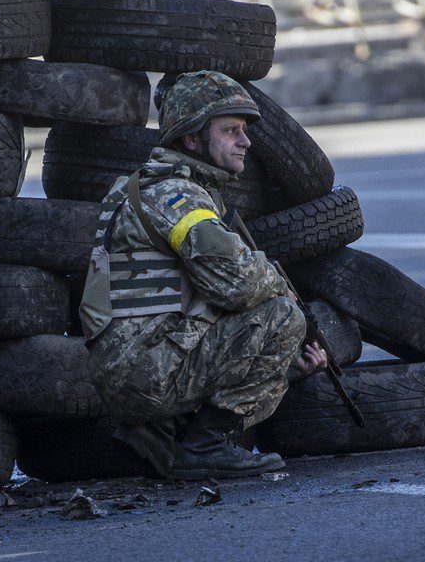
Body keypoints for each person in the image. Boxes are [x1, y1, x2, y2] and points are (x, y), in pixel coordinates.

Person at [79, 70, 328, 481]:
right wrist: (277, 284)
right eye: (230, 130)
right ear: (191, 139)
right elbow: (237, 283)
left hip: (130, 362)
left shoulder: (139, 187)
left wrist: (283, 366)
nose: (245, 141)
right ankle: (205, 447)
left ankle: (158, 433)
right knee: (283, 316)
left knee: (269, 319)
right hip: (146, 367)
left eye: (243, 130)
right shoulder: (177, 196)